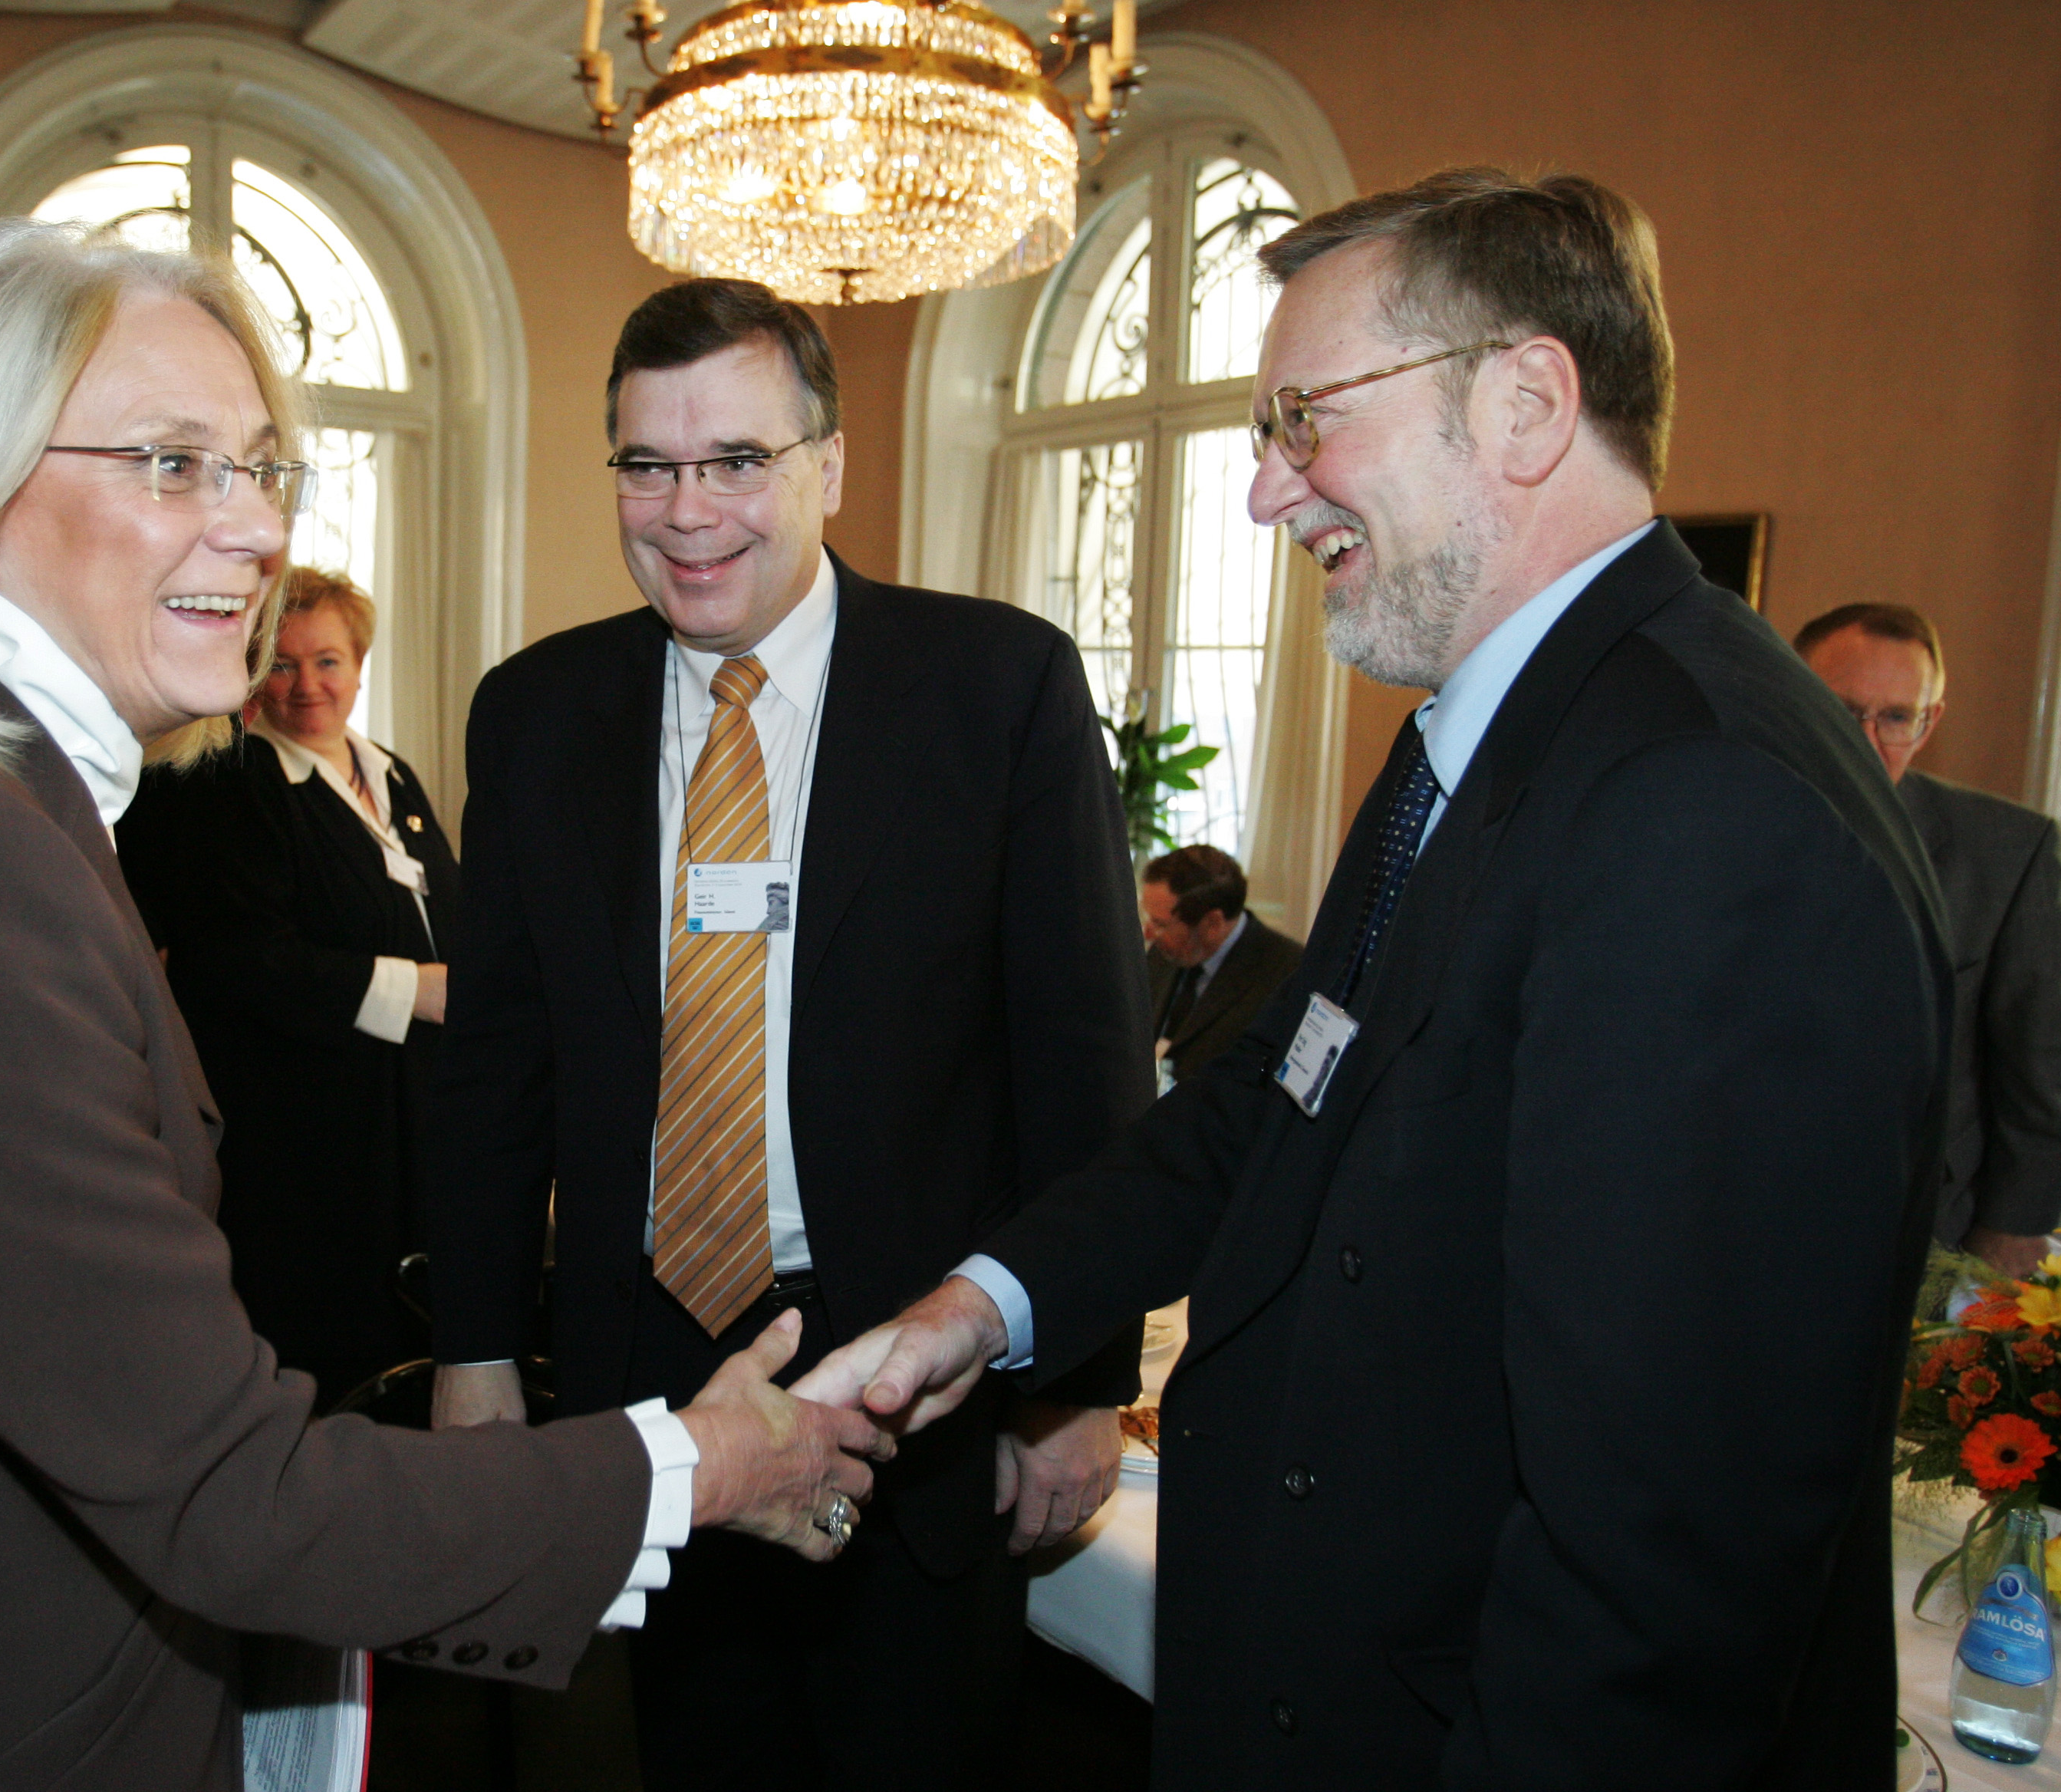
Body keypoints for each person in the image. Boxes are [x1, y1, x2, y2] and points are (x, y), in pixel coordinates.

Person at [0, 220, 886, 1792]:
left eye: (264, 467)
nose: (256, 529)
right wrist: (695, 1463)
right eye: (174, 463)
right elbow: (225, 1491)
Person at [799, 168, 1949, 1786]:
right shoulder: (1481, 745)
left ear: (1526, 404)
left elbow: (1658, 1572)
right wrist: (975, 1310)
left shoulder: (1708, 808)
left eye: (1303, 421)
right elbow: (1270, 1107)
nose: (1271, 495)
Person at [425, 278, 1153, 1791]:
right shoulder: (537, 713)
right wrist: (479, 1347)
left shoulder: (997, 688)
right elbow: (495, 1062)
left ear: (830, 464)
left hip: (919, 1376)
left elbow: (1079, 1054)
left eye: (737, 461)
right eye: (647, 464)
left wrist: (1079, 1378)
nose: (688, 512)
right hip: (657, 1380)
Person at [117, 567, 453, 1406]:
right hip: (303, 1138)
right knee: (326, 1348)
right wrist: (416, 989)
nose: (309, 686)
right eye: (284, 662)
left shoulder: (391, 774)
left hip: (406, 1118)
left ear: (361, 666)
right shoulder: (226, 778)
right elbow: (240, 961)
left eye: (330, 661)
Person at [1797, 601, 2061, 1276]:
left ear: (1930, 723)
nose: (1867, 740)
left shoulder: (2009, 852)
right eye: (1842, 709)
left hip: (1923, 1231)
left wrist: (2011, 1235)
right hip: (1731, 1213)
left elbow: (2042, 1071)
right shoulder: (1707, 825)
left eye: (1896, 717)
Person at [1138, 844, 1303, 1082]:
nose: (1148, 934)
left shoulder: (1286, 973)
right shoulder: (1166, 951)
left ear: (1213, 923)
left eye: (1161, 923)